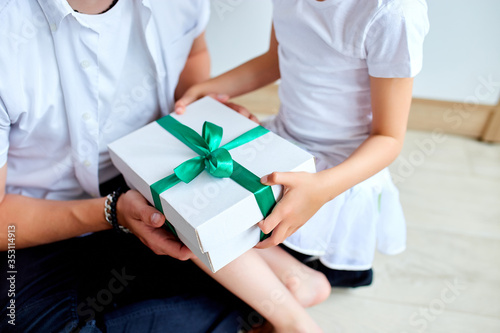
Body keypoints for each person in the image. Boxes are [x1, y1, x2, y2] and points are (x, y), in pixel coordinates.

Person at [0, 1, 279, 332]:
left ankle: (274, 292)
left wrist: (206, 114)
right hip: (32, 219)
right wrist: (111, 212)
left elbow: (193, 54)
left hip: (150, 181)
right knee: (21, 319)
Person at [176, 0, 430, 288]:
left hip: (342, 170)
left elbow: (389, 138)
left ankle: (328, 272)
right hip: (285, 141)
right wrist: (209, 88)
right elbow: (278, 58)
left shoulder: (393, 13)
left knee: (250, 258)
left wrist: (322, 188)